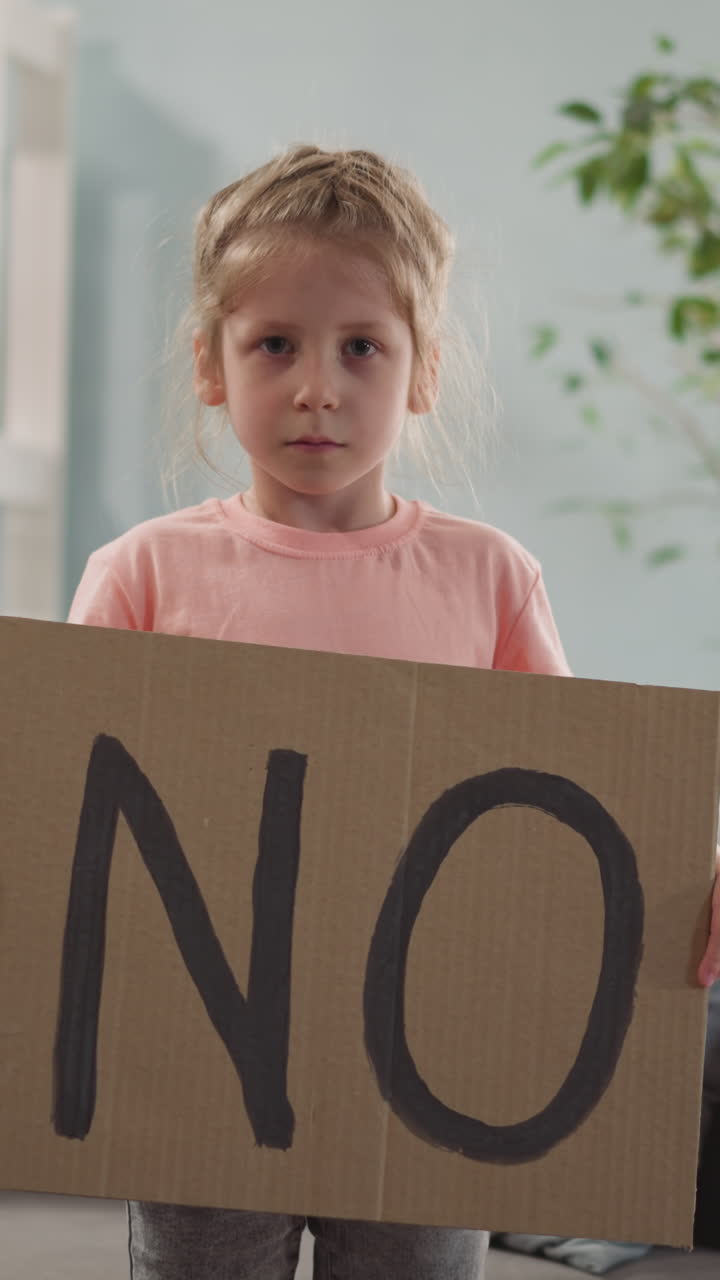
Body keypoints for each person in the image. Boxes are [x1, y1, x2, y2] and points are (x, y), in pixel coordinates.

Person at [67, 144, 720, 1280]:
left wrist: (694, 878)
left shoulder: (490, 579)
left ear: (421, 372)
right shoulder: (142, 575)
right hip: (201, 1091)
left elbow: (571, 819)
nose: (318, 385)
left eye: (362, 346)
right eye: (275, 343)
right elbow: (58, 813)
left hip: (426, 1091)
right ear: (211, 365)